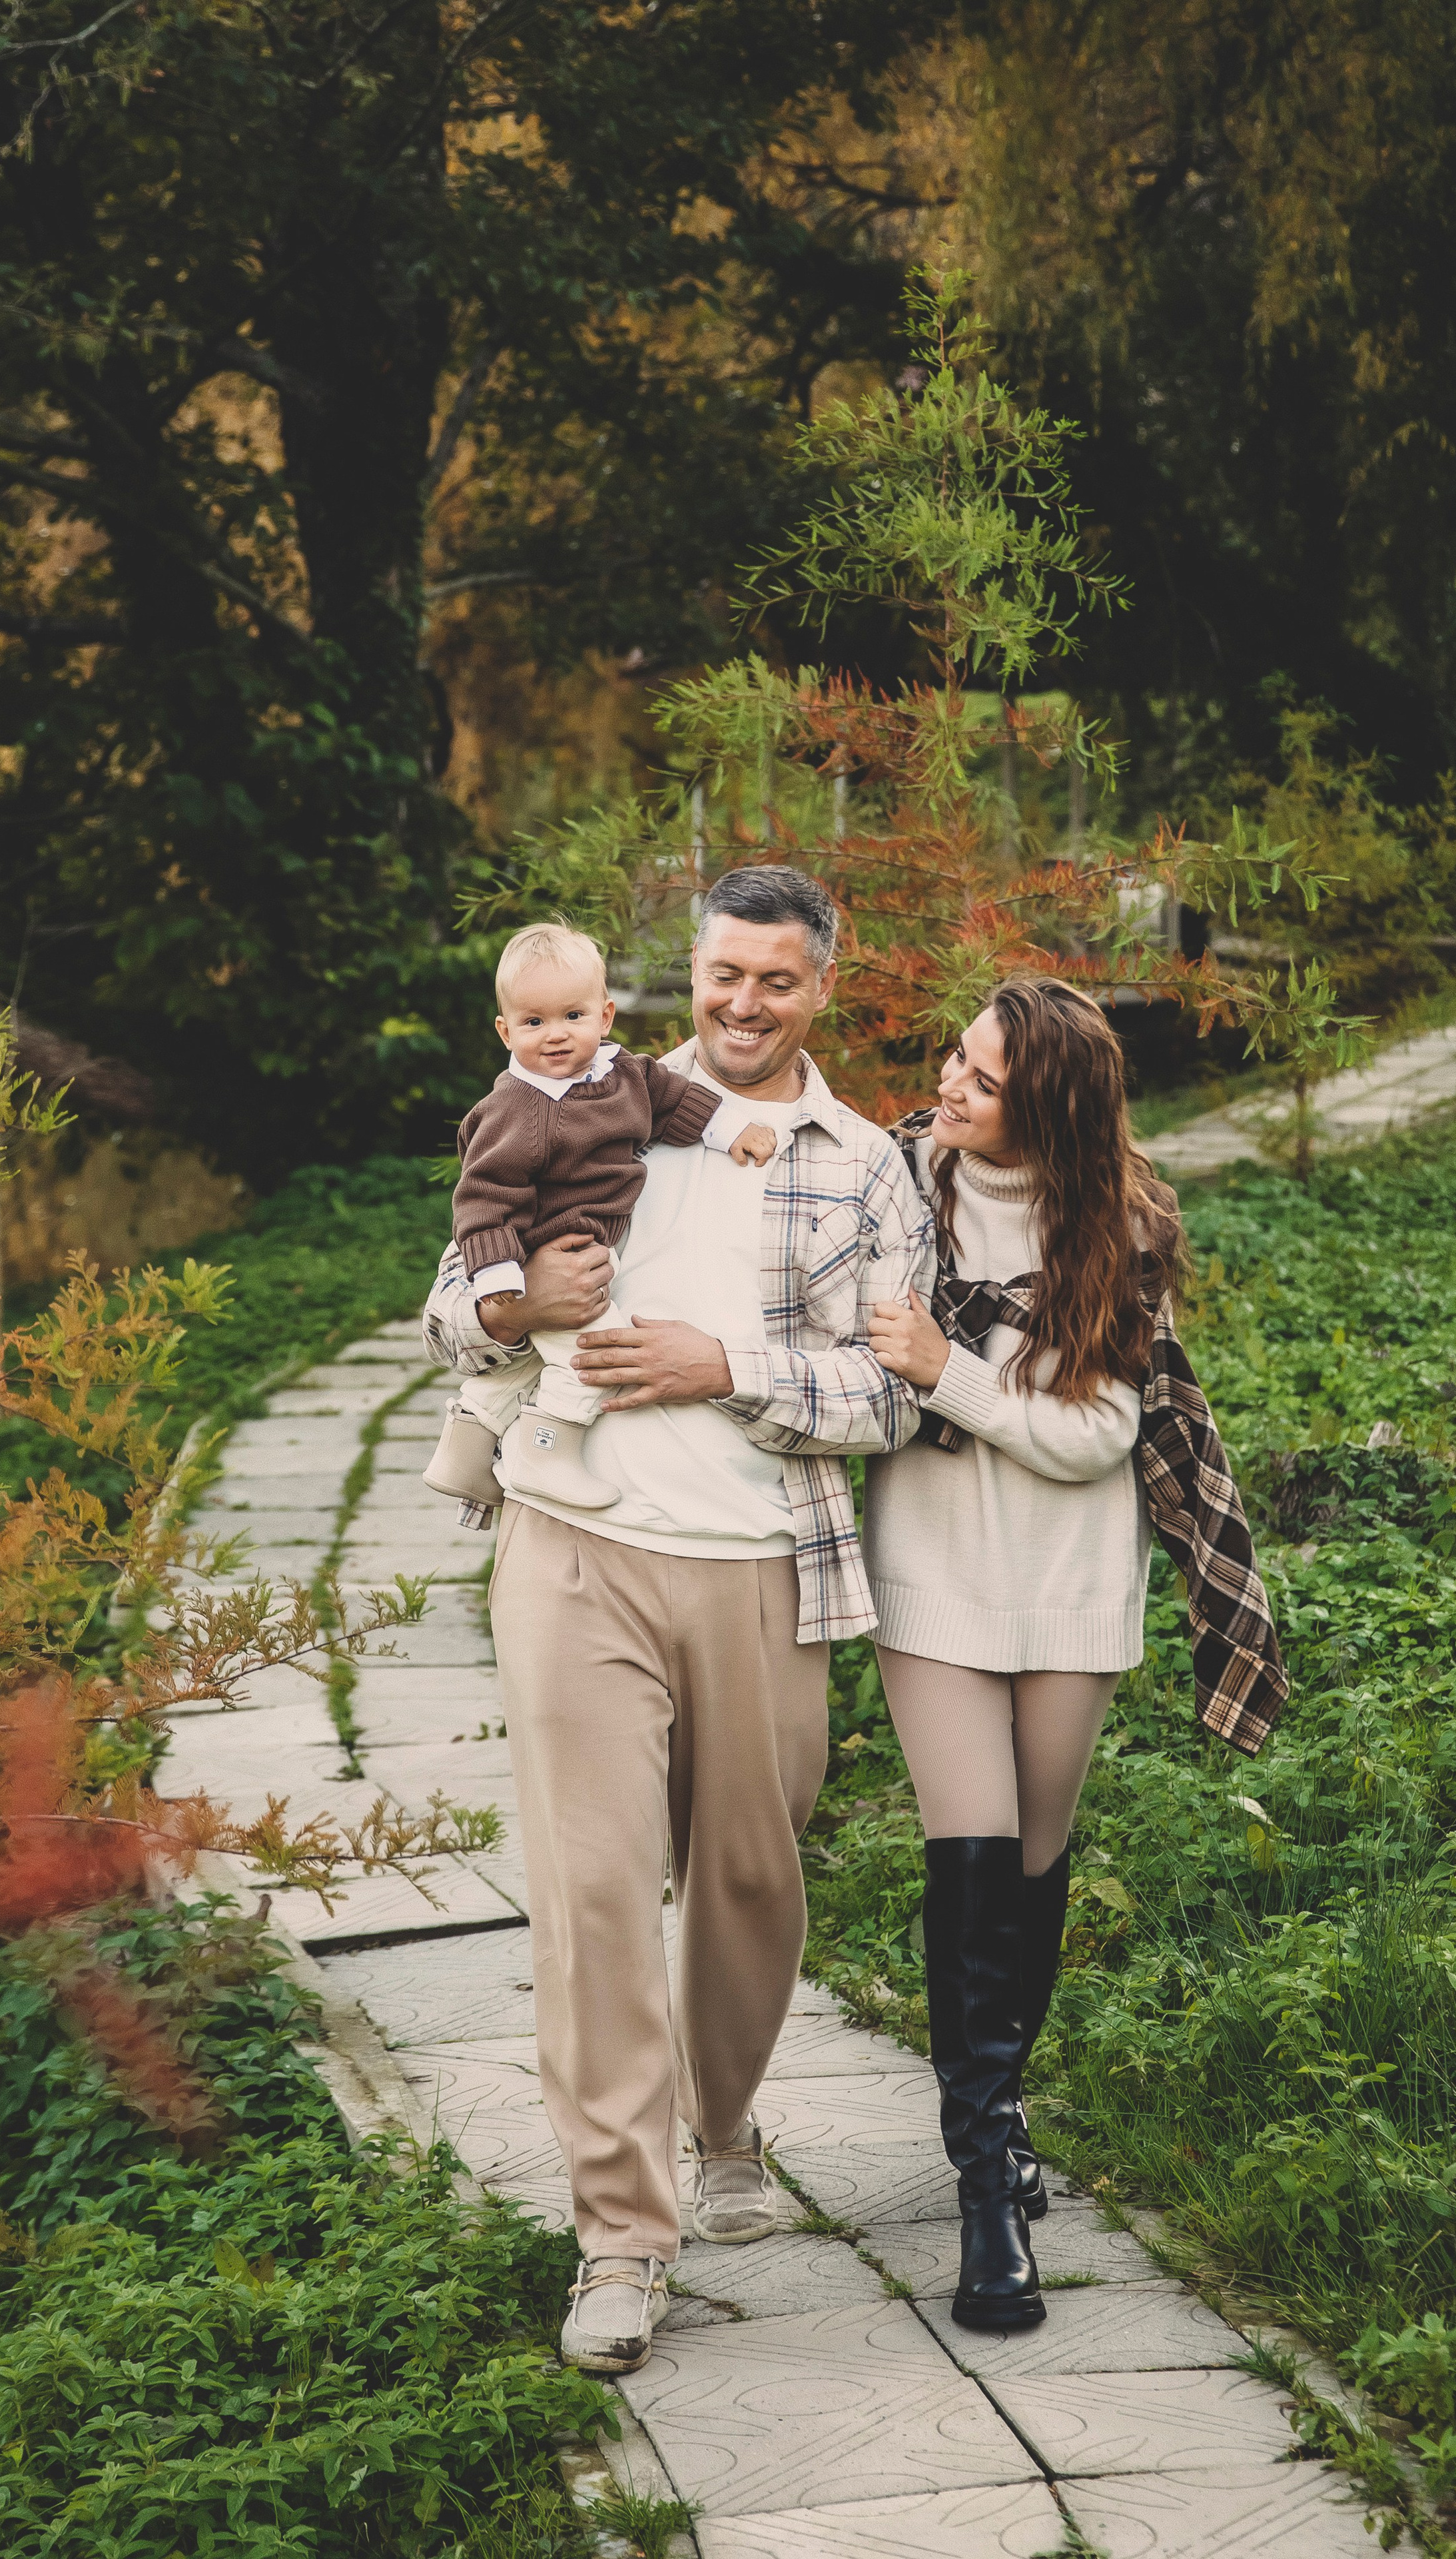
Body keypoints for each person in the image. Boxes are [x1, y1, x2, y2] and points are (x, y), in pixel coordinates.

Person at [423, 865, 934, 2374]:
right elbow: (448, 1302)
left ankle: (724, 2120)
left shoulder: (856, 1165)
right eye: (721, 973)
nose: (742, 1002)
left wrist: (730, 1366)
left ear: (820, 987)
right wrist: (516, 1306)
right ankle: (619, 2236)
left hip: (764, 1561)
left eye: (775, 979)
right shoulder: (578, 1094)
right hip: (571, 1545)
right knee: (591, 1896)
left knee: (748, 1878)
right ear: (689, 972)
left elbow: (895, 1399)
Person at [865, 975, 1283, 2336]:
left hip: (1066, 1581)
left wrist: (942, 1366)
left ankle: (1000, 2112)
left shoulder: (1114, 1221)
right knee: (970, 1849)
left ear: (1042, 1105)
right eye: (954, 1060)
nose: (950, 1084)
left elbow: (1096, 1434)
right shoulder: (892, 1185)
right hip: (928, 1569)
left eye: (980, 1079)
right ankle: (987, 2186)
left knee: (1034, 1865)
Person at [425, 920, 775, 1512]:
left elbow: (676, 1101)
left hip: (589, 1250)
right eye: (534, 1023)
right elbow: (483, 1198)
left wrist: (733, 1131)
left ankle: (461, 1452)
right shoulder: (515, 1109)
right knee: (596, 1359)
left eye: (573, 1017)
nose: (556, 1036)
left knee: (532, 1360)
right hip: (550, 1259)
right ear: (505, 1031)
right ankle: (545, 1450)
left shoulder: (625, 1074)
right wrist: (502, 1281)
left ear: (605, 1017)